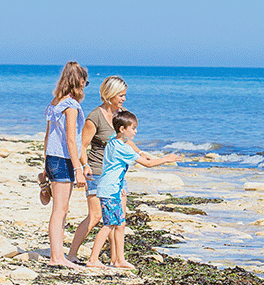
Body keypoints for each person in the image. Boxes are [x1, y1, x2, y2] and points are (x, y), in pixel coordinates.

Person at [86, 110, 182, 271]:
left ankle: (119, 259)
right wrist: (166, 159)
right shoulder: (122, 149)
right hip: (109, 189)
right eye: (133, 128)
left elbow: (115, 164)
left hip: (113, 187)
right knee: (109, 225)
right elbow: (148, 164)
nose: (136, 131)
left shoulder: (113, 141)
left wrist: (119, 186)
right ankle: (93, 259)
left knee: (119, 222)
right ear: (122, 129)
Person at [67, 75, 128, 263]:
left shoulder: (122, 115)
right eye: (121, 95)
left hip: (116, 174)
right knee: (95, 216)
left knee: (120, 219)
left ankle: (117, 259)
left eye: (124, 95)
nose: (124, 99)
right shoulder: (95, 117)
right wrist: (83, 167)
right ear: (110, 95)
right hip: (96, 171)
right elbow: (82, 146)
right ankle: (72, 254)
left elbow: (125, 144)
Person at [42, 61, 89, 266]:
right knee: (60, 209)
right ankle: (56, 257)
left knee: (62, 208)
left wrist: (45, 163)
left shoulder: (55, 102)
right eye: (85, 83)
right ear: (79, 81)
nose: (85, 86)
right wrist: (78, 168)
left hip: (53, 157)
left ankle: (58, 254)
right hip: (63, 159)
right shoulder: (70, 106)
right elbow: (71, 139)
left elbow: (47, 136)